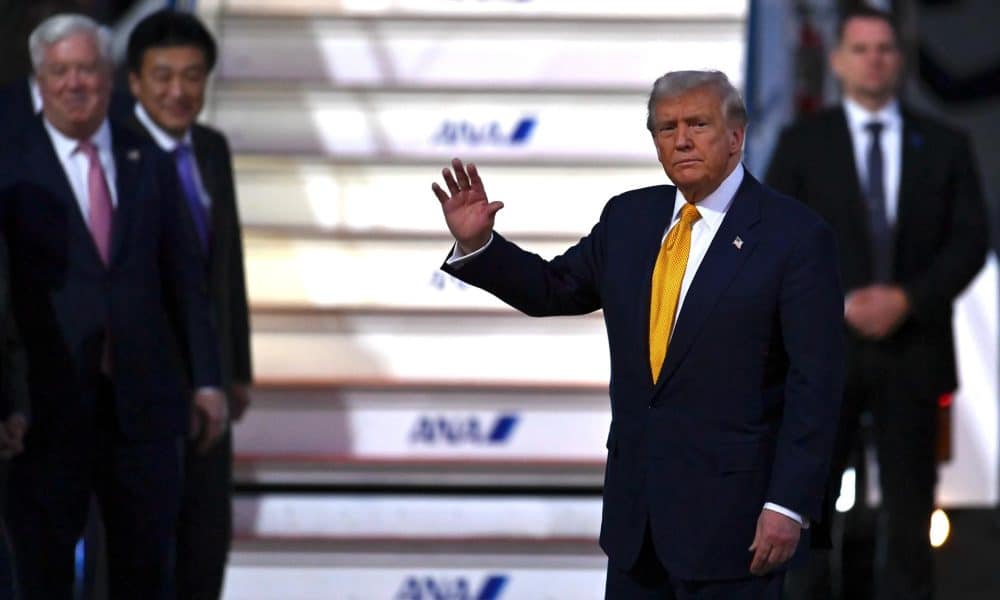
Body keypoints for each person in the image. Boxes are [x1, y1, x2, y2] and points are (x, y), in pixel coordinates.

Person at [433, 70, 845, 599]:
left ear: (736, 136)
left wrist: (788, 503)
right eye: (666, 128)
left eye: (698, 124)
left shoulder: (795, 236)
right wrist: (482, 244)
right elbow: (554, 289)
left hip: (738, 528)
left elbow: (817, 384)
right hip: (637, 527)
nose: (682, 139)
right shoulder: (630, 218)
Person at [765, 7, 988, 600]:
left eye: (885, 48)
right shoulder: (801, 143)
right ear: (837, 61)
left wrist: (908, 299)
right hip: (821, 355)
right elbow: (772, 238)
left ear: (900, 59)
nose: (874, 59)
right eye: (860, 49)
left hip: (913, 350)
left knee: (912, 516)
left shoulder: (946, 144)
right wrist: (833, 304)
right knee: (805, 513)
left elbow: (969, 239)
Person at [0, 14, 226, 599]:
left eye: (86, 69)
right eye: (60, 71)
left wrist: (207, 381)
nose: (74, 83)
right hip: (45, 413)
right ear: (39, 80)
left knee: (145, 574)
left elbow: (185, 278)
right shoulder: (9, 158)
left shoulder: (145, 153)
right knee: (41, 574)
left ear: (111, 76)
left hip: (144, 409)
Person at [124, 9, 253, 599]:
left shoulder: (210, 147)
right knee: (137, 547)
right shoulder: (111, 155)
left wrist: (238, 370)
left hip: (213, 380)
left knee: (206, 540)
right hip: (138, 392)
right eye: (163, 76)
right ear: (134, 82)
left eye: (193, 76)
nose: (179, 91)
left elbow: (227, 269)